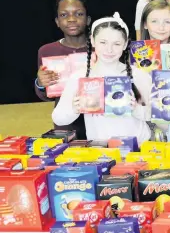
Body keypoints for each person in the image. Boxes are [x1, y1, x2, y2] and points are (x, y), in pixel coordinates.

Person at [52, 13, 152, 145]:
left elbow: (156, 114)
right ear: (92, 40)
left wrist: (136, 109)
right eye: (103, 42)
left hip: (139, 149)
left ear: (125, 44)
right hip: (101, 151)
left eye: (116, 44)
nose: (109, 49)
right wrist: (74, 109)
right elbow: (58, 118)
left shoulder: (138, 75)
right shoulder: (80, 76)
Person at [35, 0, 91, 140]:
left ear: (88, 20)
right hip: (66, 125)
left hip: (99, 121)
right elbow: (45, 95)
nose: (71, 19)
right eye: (64, 15)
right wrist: (41, 83)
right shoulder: (47, 51)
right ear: (57, 22)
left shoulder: (103, 47)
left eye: (79, 14)